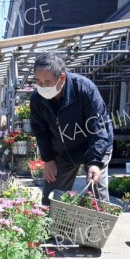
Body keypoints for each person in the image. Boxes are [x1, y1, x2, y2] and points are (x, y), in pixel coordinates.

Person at [30, 53, 113, 205]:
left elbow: (98, 129)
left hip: (93, 145)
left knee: (96, 195)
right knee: (52, 198)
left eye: (47, 82)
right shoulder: (37, 98)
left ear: (61, 78)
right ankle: (55, 228)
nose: (42, 87)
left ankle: (98, 227)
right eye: (38, 82)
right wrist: (48, 159)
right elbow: (40, 131)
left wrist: (95, 162)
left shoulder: (84, 88)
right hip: (62, 149)